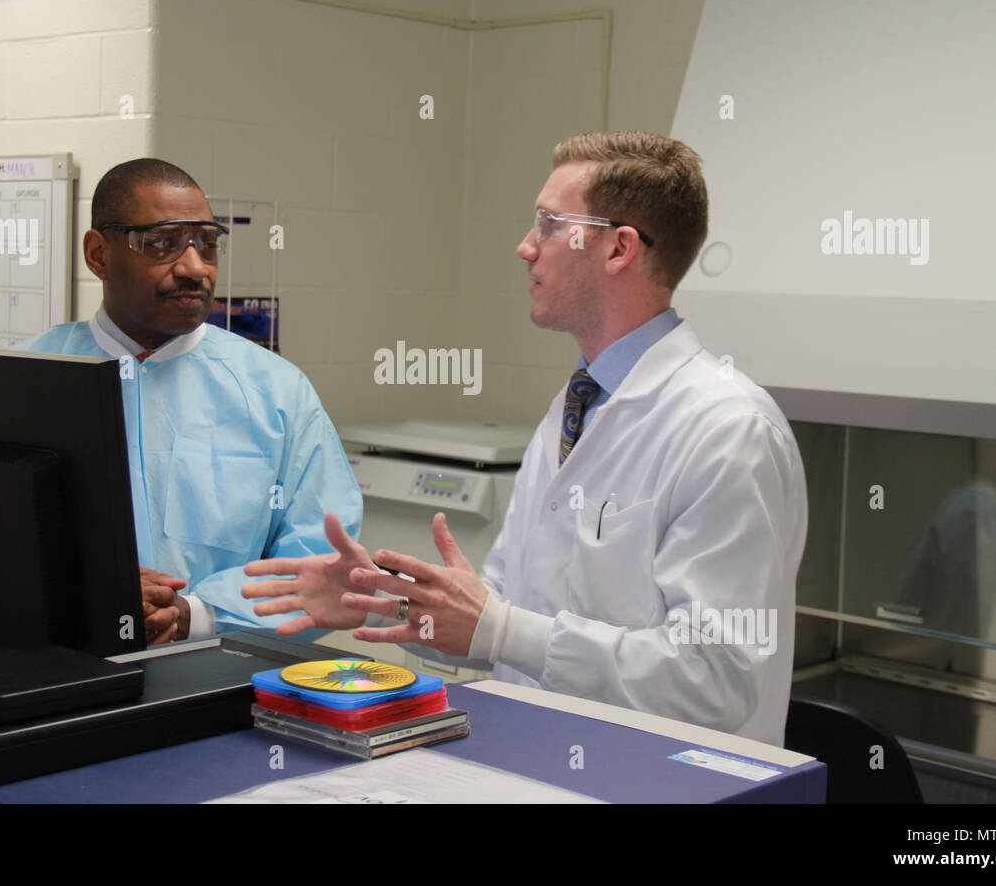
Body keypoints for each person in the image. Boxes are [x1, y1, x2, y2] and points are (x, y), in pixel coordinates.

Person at [244, 132, 808, 746]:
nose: (524, 247)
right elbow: (507, 615)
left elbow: (715, 681)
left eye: (548, 224)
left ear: (619, 248)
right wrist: (392, 602)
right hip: (549, 762)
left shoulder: (729, 429)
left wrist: (501, 630)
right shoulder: (577, 405)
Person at [17, 158, 361, 643]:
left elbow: (322, 564)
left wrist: (193, 615)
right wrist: (84, 591)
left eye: (208, 244)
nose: (195, 267)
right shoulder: (22, 379)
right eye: (162, 243)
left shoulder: (277, 392)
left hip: (216, 678)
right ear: (98, 254)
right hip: (46, 675)